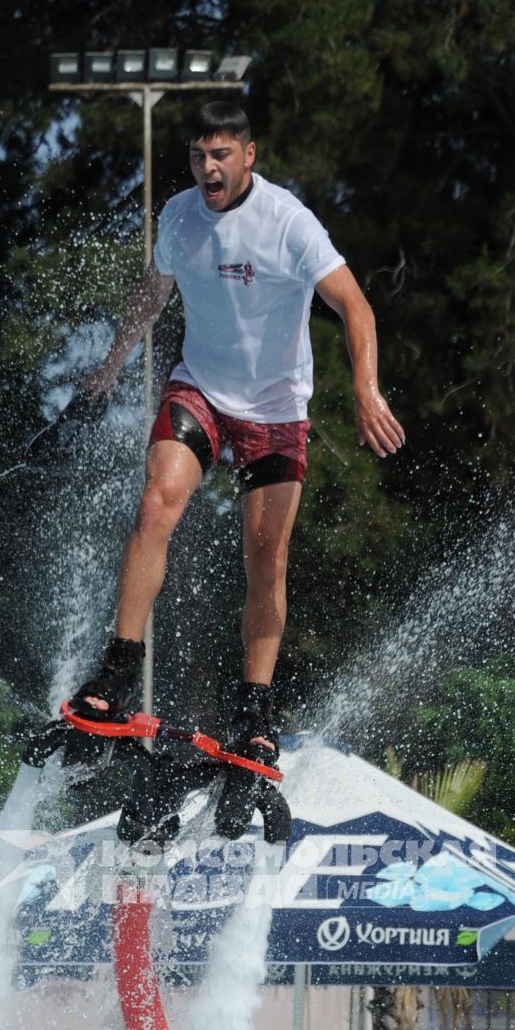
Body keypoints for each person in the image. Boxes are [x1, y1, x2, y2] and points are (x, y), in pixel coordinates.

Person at [67, 98, 405, 770]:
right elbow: (152, 292)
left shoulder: (287, 222)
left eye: (220, 154)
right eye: (198, 156)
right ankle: (117, 670)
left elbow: (353, 304)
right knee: (155, 503)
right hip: (200, 388)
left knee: (265, 557)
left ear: (248, 155)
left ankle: (254, 709)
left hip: (276, 409)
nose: (208, 168)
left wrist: (365, 388)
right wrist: (109, 366)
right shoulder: (180, 217)